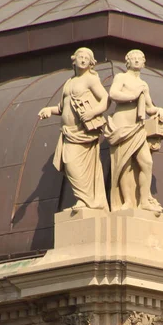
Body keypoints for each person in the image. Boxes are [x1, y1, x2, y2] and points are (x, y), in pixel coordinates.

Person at [38, 47, 109, 211]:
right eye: (80, 57)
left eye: (86, 57)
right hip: (69, 132)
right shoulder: (69, 82)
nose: (83, 59)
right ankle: (85, 200)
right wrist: (50, 110)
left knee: (72, 163)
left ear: (91, 62)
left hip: (83, 132)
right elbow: (63, 107)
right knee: (70, 163)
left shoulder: (91, 79)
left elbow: (106, 99)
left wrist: (92, 112)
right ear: (74, 60)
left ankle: (86, 200)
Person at [105, 49, 163, 212]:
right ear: (127, 61)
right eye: (133, 58)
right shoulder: (122, 77)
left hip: (138, 127)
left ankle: (144, 201)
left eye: (139, 58)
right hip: (122, 125)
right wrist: (133, 95)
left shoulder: (143, 84)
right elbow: (113, 93)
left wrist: (159, 110)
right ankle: (127, 201)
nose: (136, 60)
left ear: (143, 63)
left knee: (147, 163)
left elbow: (149, 107)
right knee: (125, 165)